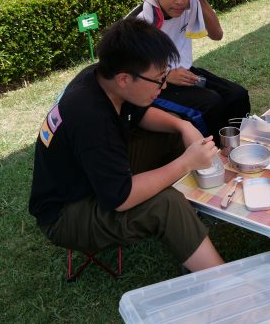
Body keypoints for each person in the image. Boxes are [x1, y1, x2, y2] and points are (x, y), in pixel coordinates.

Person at [29, 17, 224, 273]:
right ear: (124, 79)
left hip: (93, 176)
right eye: (159, 79)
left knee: (172, 130)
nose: (164, 85)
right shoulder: (91, 118)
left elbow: (140, 114)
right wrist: (186, 163)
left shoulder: (101, 76)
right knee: (166, 204)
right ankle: (224, 281)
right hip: (67, 212)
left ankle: (204, 212)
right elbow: (121, 198)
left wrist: (183, 126)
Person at [130, 0, 250, 141]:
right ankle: (215, 150)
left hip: (183, 72)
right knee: (211, 104)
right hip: (153, 84)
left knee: (237, 95)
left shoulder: (190, 3)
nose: (180, 1)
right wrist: (166, 75)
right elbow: (124, 69)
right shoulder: (141, 21)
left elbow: (217, 34)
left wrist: (201, 0)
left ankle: (239, 144)